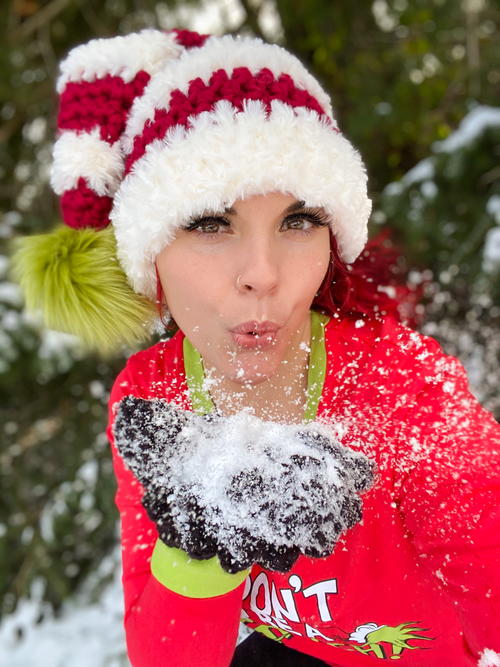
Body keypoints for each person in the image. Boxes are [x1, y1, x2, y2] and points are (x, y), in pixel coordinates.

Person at [13, 27, 500, 667]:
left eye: (298, 221)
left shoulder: (400, 382)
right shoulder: (153, 396)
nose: (263, 273)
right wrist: (197, 551)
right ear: (149, 257)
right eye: (211, 223)